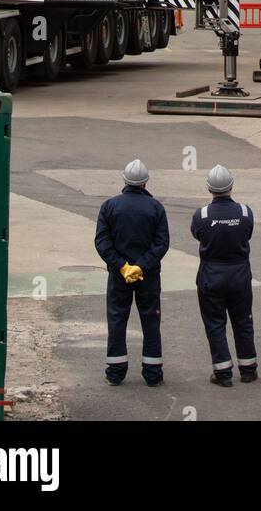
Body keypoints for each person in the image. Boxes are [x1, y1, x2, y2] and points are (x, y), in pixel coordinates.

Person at [95, 159, 169, 387]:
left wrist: (123, 266)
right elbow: (162, 243)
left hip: (119, 276)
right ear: (145, 182)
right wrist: (141, 266)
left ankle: (115, 372)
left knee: (117, 319)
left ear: (124, 180)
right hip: (148, 276)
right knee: (150, 320)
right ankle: (152, 373)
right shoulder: (156, 208)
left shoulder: (110, 206)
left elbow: (102, 241)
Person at [190, 165, 257, 387]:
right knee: (243, 321)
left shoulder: (202, 215)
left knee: (215, 323)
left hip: (212, 274)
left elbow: (197, 235)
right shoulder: (245, 212)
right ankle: (248, 370)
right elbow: (247, 233)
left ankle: (223, 373)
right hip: (239, 274)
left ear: (209, 188)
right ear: (231, 186)